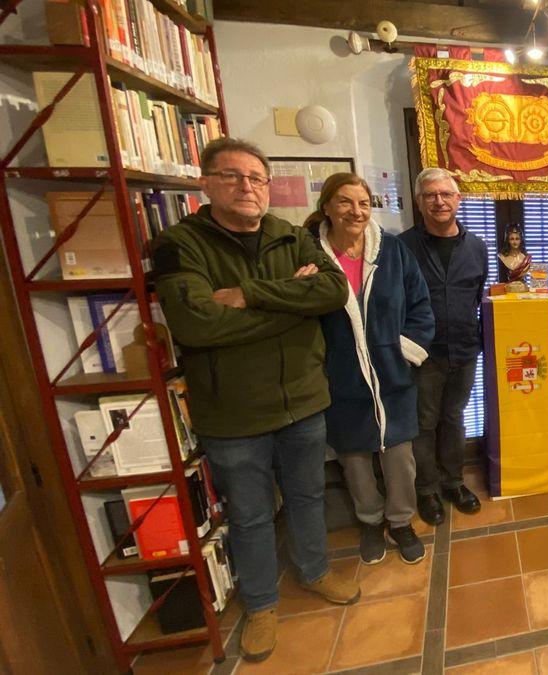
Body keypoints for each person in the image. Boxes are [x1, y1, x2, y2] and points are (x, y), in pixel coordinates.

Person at [151, 138, 356, 663]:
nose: (246, 187)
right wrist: (292, 300)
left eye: (256, 178)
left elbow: (332, 293)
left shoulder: (290, 235)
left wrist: (251, 295)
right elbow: (196, 323)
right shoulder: (180, 244)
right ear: (206, 183)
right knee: (249, 513)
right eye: (231, 176)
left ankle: (314, 570)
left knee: (308, 495)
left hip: (303, 400)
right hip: (234, 411)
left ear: (268, 186)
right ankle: (263, 603)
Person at [304, 173, 435, 565]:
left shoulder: (392, 251)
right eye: (345, 202)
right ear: (326, 206)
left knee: (400, 456)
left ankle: (400, 521)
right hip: (341, 376)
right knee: (355, 458)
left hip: (392, 373)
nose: (356, 211)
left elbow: (420, 306)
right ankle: (369, 520)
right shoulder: (308, 255)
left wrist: (406, 352)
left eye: (363, 203)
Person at [400, 168, 489, 526]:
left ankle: (454, 483)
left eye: (446, 194)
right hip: (422, 354)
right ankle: (427, 491)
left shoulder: (477, 246)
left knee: (453, 419)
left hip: (465, 350)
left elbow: (477, 294)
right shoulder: (402, 247)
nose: (439, 201)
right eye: (430, 195)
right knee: (423, 424)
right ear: (420, 202)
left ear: (458, 199)